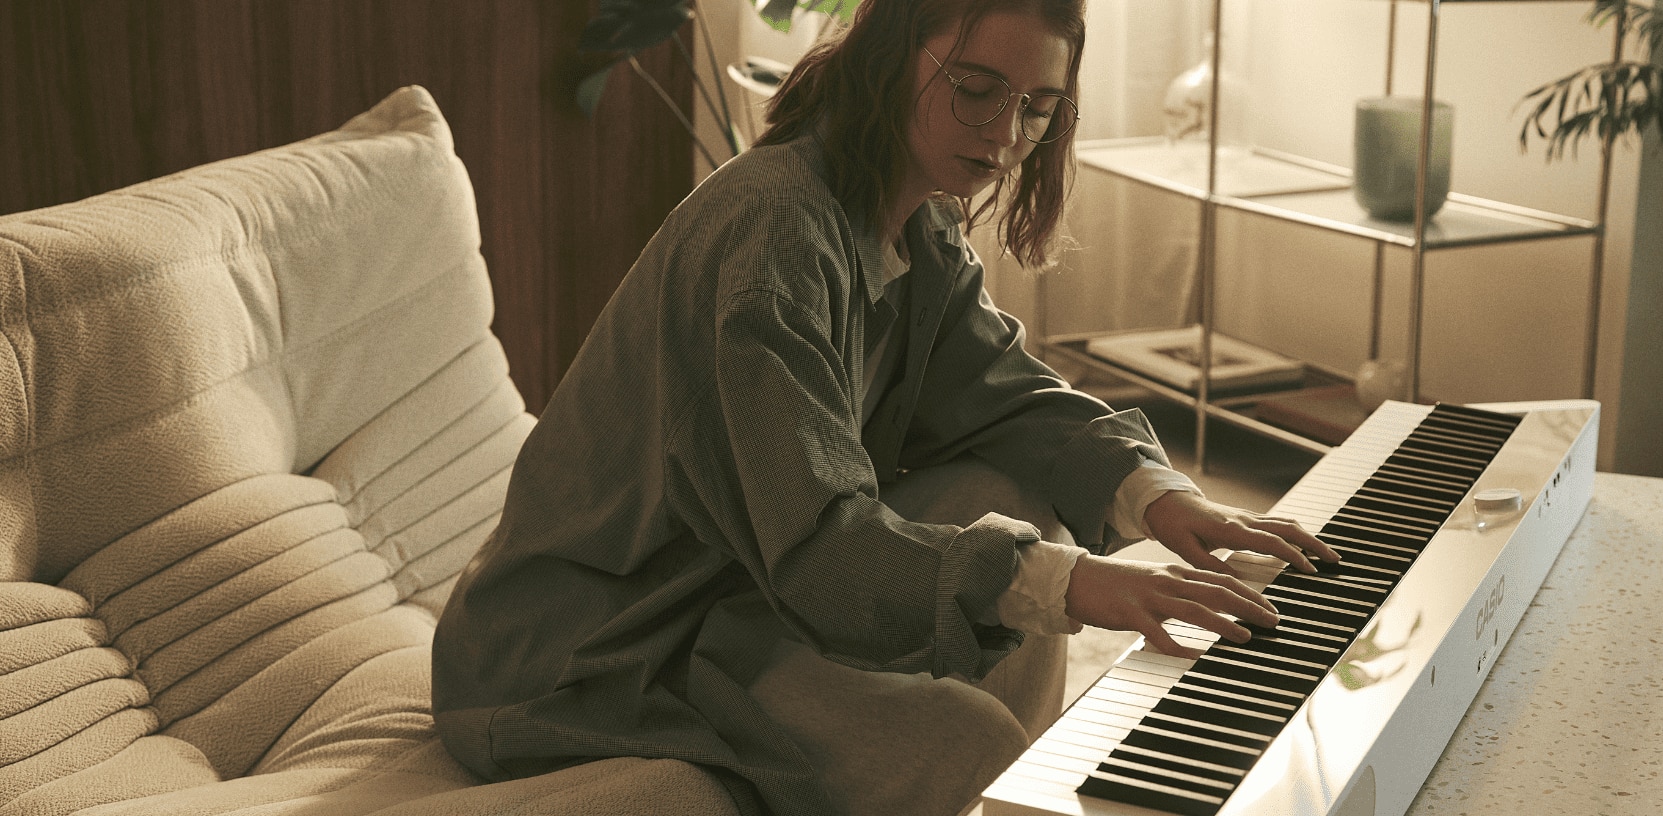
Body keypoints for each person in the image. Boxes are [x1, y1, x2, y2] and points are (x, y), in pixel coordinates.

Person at [430, 1, 1337, 814]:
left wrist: (1163, 497)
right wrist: (1076, 586)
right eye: (977, 87)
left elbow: (1010, 396)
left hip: (734, 593)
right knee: (967, 736)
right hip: (589, 648)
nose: (1005, 133)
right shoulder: (776, 230)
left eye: (1036, 106)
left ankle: (996, 791)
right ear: (897, 49)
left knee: (1007, 488)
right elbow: (823, 546)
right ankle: (974, 780)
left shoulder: (914, 216)